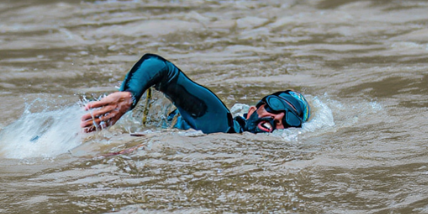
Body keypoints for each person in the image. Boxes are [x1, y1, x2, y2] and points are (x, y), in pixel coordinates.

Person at [81, 54, 311, 134]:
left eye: (290, 120)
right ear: (252, 110)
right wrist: (128, 97)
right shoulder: (221, 122)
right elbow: (158, 67)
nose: (279, 117)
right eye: (274, 105)